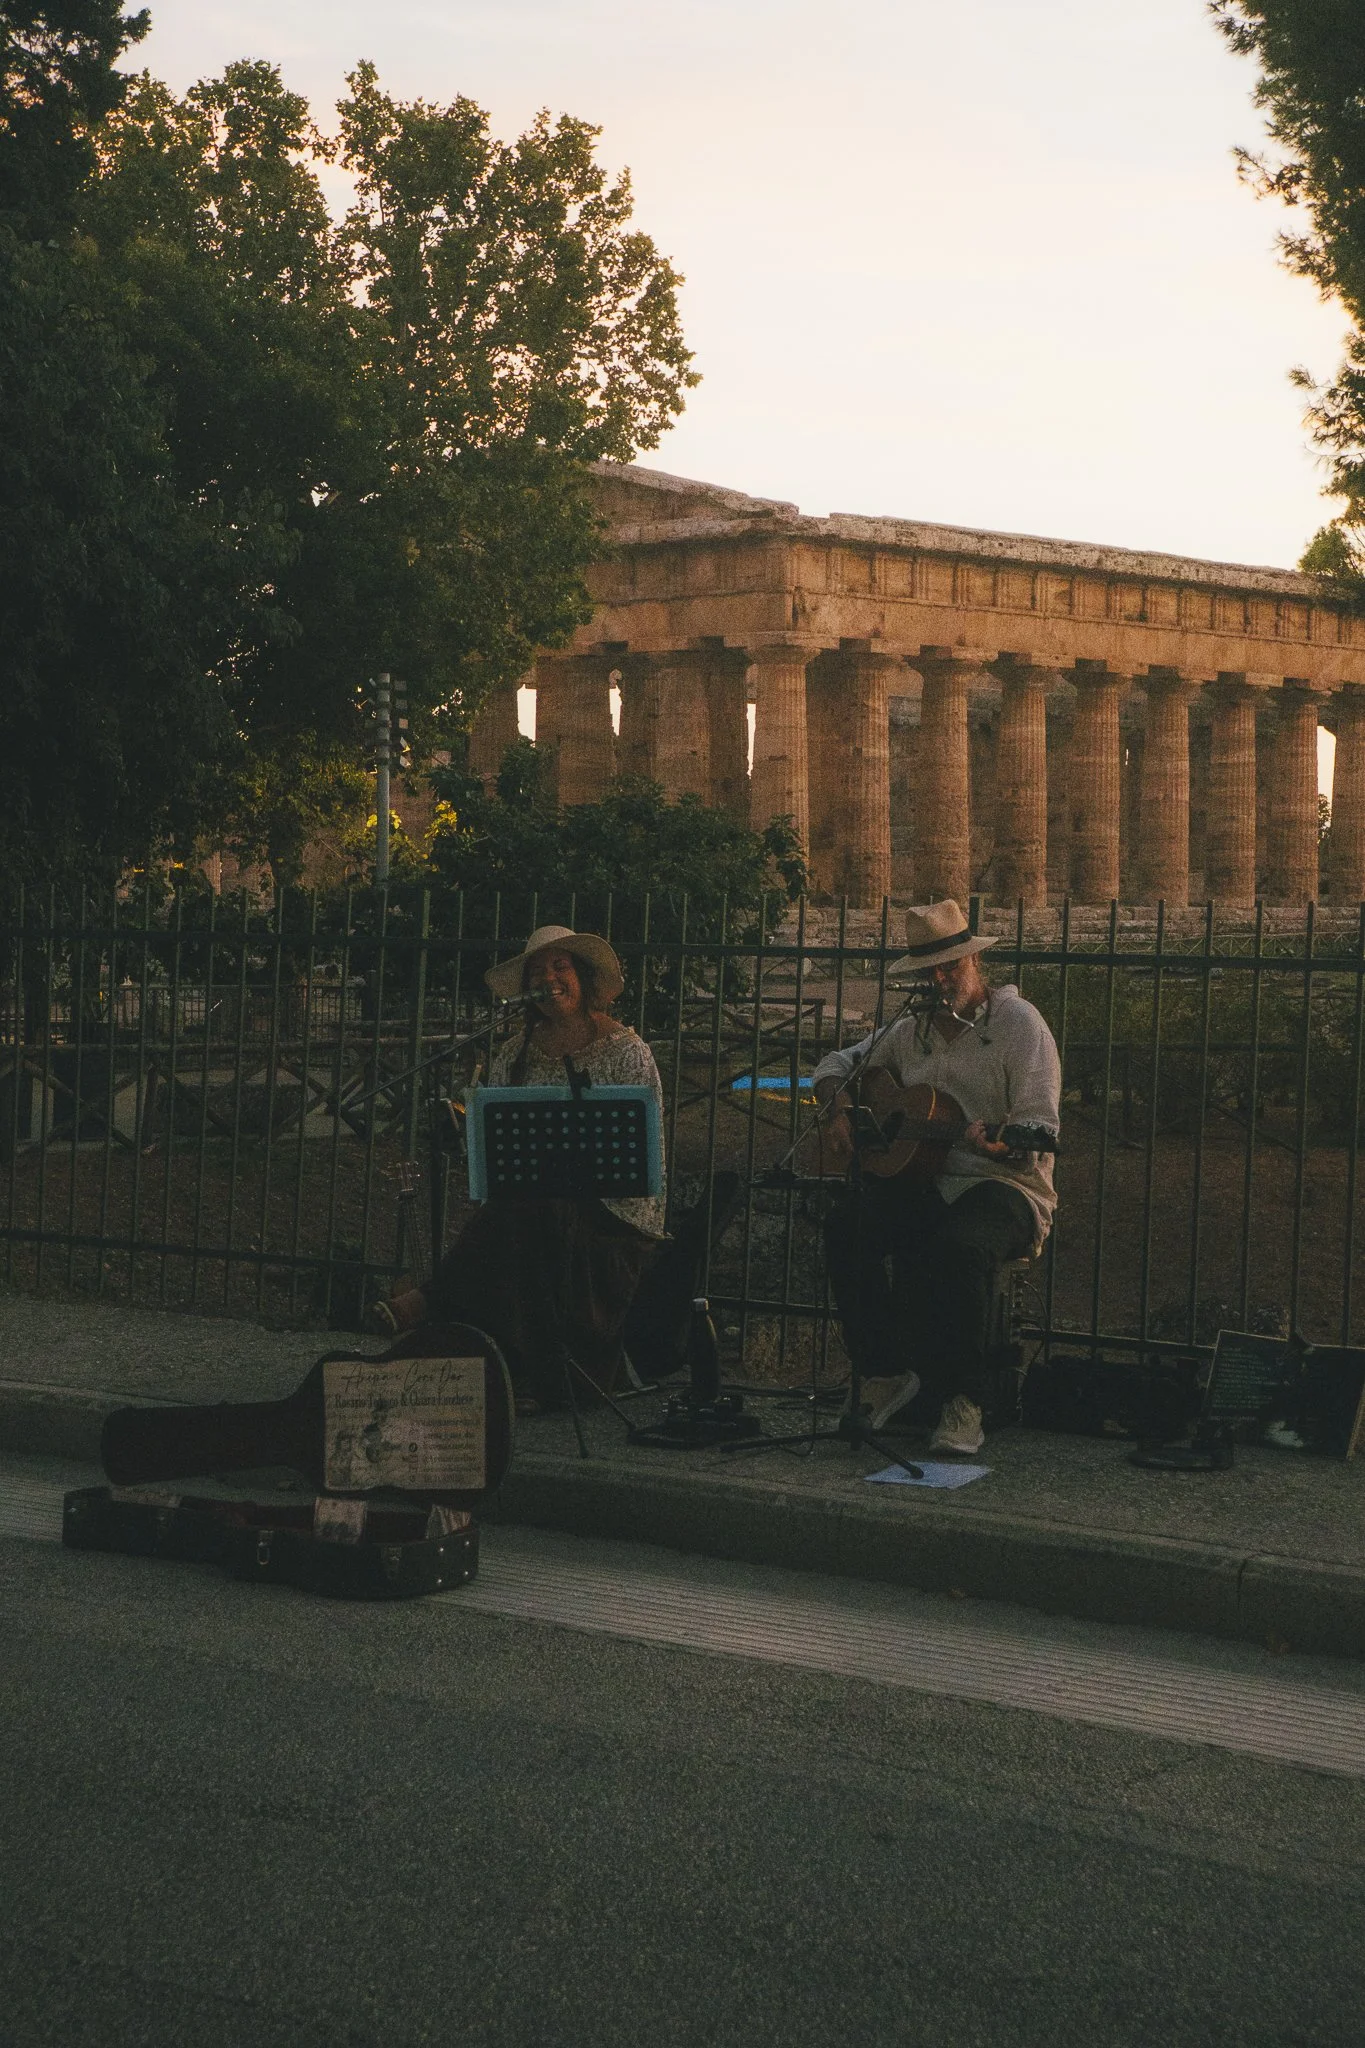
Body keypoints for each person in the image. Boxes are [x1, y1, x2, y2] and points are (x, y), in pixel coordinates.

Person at [373, 925, 665, 1413]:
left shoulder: (626, 1052)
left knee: (530, 1211)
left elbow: (644, 1156)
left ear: (583, 977)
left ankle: (432, 1302)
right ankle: (513, 1370)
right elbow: (499, 1154)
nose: (550, 978)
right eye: (539, 971)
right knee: (528, 1210)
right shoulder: (515, 1052)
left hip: (613, 1216)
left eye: (561, 967)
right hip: (531, 1210)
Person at [811, 899, 1060, 1455]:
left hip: (1007, 1187)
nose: (942, 978)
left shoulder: (1019, 1025)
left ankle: (967, 1400)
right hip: (926, 1182)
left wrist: (1004, 1141)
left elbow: (1040, 1123)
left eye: (952, 966)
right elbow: (834, 1065)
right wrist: (837, 1110)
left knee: (961, 1246)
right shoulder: (908, 1031)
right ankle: (883, 1372)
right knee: (846, 1226)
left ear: (975, 963)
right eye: (930, 970)